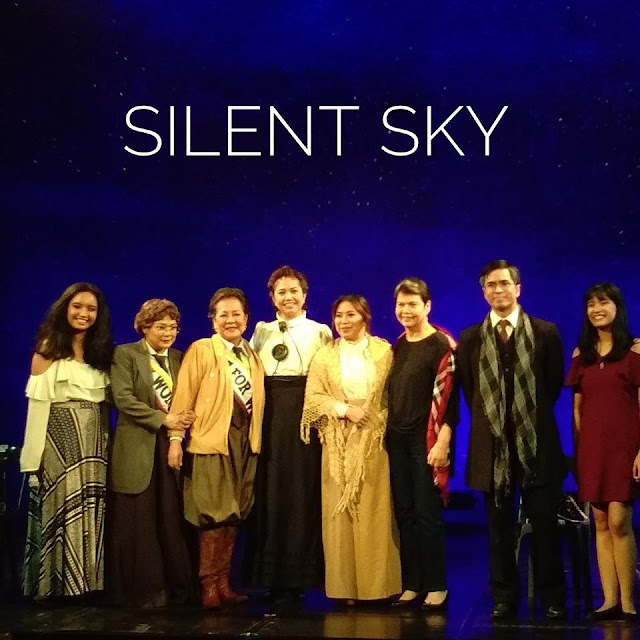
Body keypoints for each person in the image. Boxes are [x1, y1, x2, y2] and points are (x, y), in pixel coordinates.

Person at [457, 260, 566, 620]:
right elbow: (471, 391)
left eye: (504, 283)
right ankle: (504, 597)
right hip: (492, 448)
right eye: (491, 284)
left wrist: (524, 420)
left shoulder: (545, 332)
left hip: (536, 445)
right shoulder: (471, 338)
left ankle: (552, 598)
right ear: (484, 292)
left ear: (517, 289)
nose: (498, 290)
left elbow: (551, 387)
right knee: (498, 530)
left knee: (545, 525)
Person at [169, 288, 265, 608]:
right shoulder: (202, 349)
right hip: (212, 441)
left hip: (244, 441)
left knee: (235, 512)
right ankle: (208, 584)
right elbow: (184, 396)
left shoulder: (251, 354)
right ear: (213, 320)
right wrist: (176, 439)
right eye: (223, 314)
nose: (230, 320)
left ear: (246, 318)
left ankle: (224, 582)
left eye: (236, 314)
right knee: (213, 513)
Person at [301, 295, 401, 601]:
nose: (344, 321)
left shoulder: (384, 351)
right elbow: (313, 398)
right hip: (337, 439)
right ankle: (345, 588)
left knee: (374, 510)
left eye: (351, 315)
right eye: (339, 316)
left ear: (365, 317)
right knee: (340, 512)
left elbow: (392, 393)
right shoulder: (325, 355)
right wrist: (345, 410)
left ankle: (377, 586)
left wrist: (375, 418)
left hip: (373, 438)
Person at [20, 283, 113, 599]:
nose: (83, 313)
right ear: (65, 308)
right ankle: (53, 586)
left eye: (91, 308)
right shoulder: (49, 348)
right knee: (60, 509)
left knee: (90, 508)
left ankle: (86, 584)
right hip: (59, 443)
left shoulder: (101, 353)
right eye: (77, 306)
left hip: (94, 446)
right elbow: (37, 406)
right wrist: (32, 461)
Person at [244, 266, 332, 594]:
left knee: (301, 489)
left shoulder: (320, 331)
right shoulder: (261, 331)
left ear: (305, 295)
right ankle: (269, 576)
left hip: (304, 413)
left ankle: (301, 576)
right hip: (269, 413)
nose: (288, 297)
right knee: (271, 488)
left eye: (294, 290)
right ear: (272, 298)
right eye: (281, 292)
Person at [106, 299, 196, 607]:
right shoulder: (125, 354)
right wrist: (164, 418)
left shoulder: (181, 358)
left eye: (173, 327)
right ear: (144, 327)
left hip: (171, 445)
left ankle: (175, 590)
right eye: (161, 327)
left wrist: (180, 425)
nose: (168, 333)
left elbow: (188, 399)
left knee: (169, 517)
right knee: (138, 521)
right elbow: (123, 399)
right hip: (137, 445)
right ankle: (142, 592)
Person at [567, 283, 640, 621]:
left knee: (619, 520)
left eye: (603, 302)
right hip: (592, 449)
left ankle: (628, 601)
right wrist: (581, 450)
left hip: (625, 448)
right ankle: (609, 599)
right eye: (591, 304)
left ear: (617, 307)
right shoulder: (581, 354)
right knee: (599, 522)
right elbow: (577, 408)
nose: (596, 309)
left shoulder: (635, 350)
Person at [385, 277, 458, 610]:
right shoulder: (399, 344)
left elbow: (451, 402)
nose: (406, 310)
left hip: (426, 440)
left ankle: (436, 584)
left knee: (428, 514)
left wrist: (443, 442)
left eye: (413, 304)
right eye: (401, 304)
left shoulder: (442, 345)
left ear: (427, 306)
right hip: (397, 439)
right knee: (405, 512)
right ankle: (413, 583)